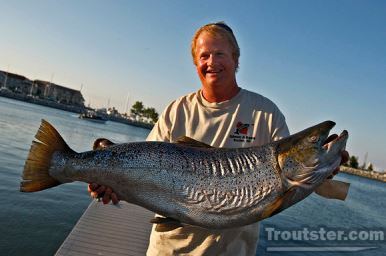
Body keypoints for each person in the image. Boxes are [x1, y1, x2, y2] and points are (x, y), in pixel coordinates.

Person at [88, 22, 349, 255]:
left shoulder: (265, 113)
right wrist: (113, 186)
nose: (212, 62)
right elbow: (137, 167)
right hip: (171, 249)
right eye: (204, 55)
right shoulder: (176, 110)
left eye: (220, 54)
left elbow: (303, 174)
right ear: (195, 63)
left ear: (236, 60)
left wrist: (329, 169)